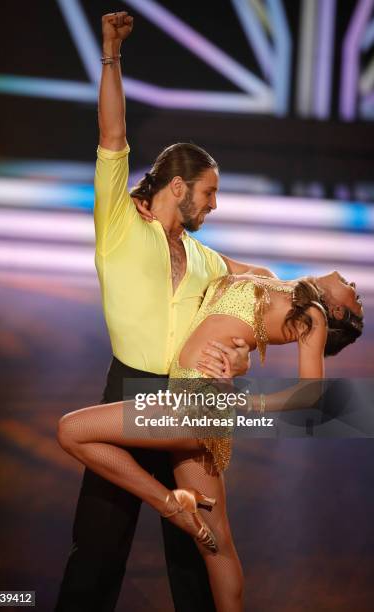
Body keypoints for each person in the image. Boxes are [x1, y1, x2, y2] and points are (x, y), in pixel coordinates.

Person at [55, 11, 275, 612]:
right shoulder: (120, 223)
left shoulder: (204, 257)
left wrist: (296, 297)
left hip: (187, 398)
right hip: (128, 387)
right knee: (100, 544)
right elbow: (112, 131)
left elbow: (258, 280)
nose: (213, 204)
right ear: (179, 187)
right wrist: (110, 56)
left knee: (194, 548)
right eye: (209, 193)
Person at [57, 269, 363, 612]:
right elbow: (205, 258)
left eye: (356, 297)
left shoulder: (313, 315)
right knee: (216, 544)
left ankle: (169, 505)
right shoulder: (267, 276)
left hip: (196, 408)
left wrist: (247, 401)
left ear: (337, 312)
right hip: (190, 403)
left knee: (71, 430)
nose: (352, 284)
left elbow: (312, 395)